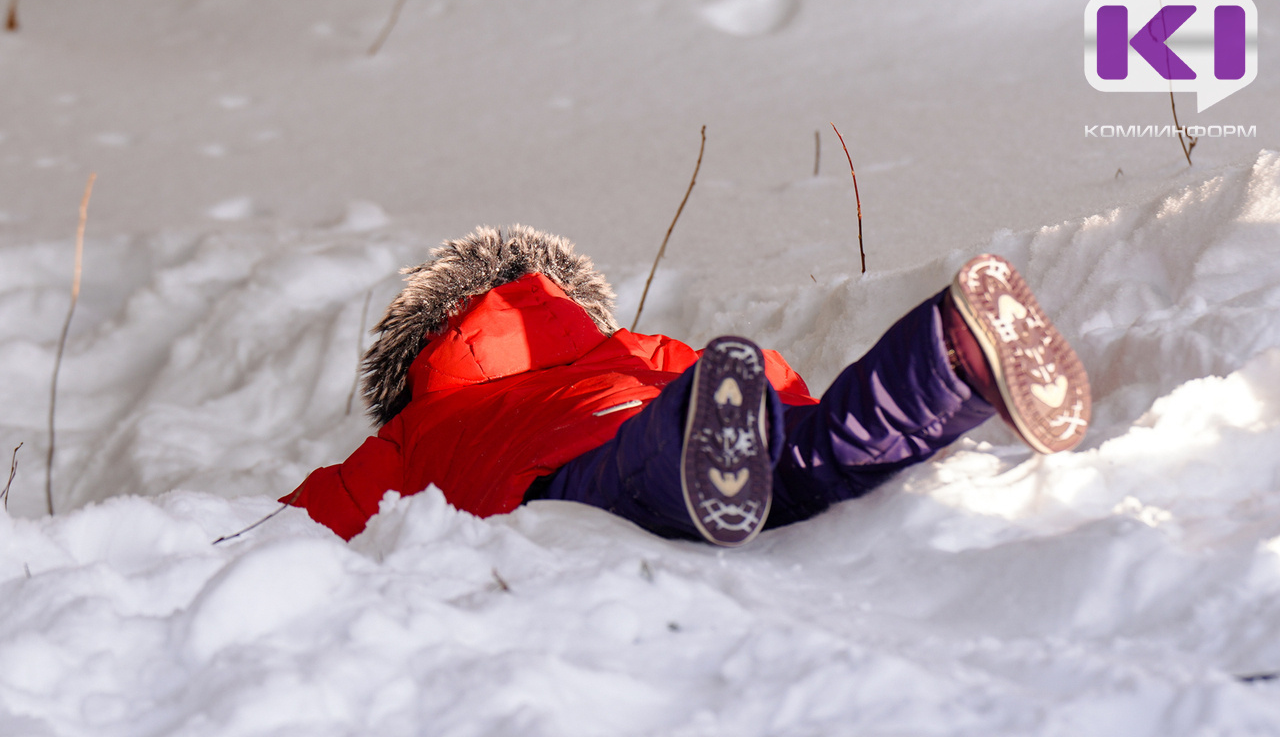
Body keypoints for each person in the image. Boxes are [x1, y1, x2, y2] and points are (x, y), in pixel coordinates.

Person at [284, 225, 1090, 546]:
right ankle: (950, 353)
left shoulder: (421, 424)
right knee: (813, 451)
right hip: (665, 404)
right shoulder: (633, 347)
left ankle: (700, 454)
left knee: (636, 475)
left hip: (565, 479)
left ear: (421, 350)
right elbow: (761, 380)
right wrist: (773, 409)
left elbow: (303, 529)